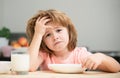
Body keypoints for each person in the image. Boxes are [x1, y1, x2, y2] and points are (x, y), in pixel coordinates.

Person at [26, 9, 120, 73]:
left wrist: (101, 57)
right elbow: (29, 67)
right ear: (43, 42)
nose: (55, 37)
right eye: (47, 35)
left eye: (59, 30)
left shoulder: (79, 55)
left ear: (69, 32)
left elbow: (117, 68)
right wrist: (38, 34)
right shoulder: (44, 55)